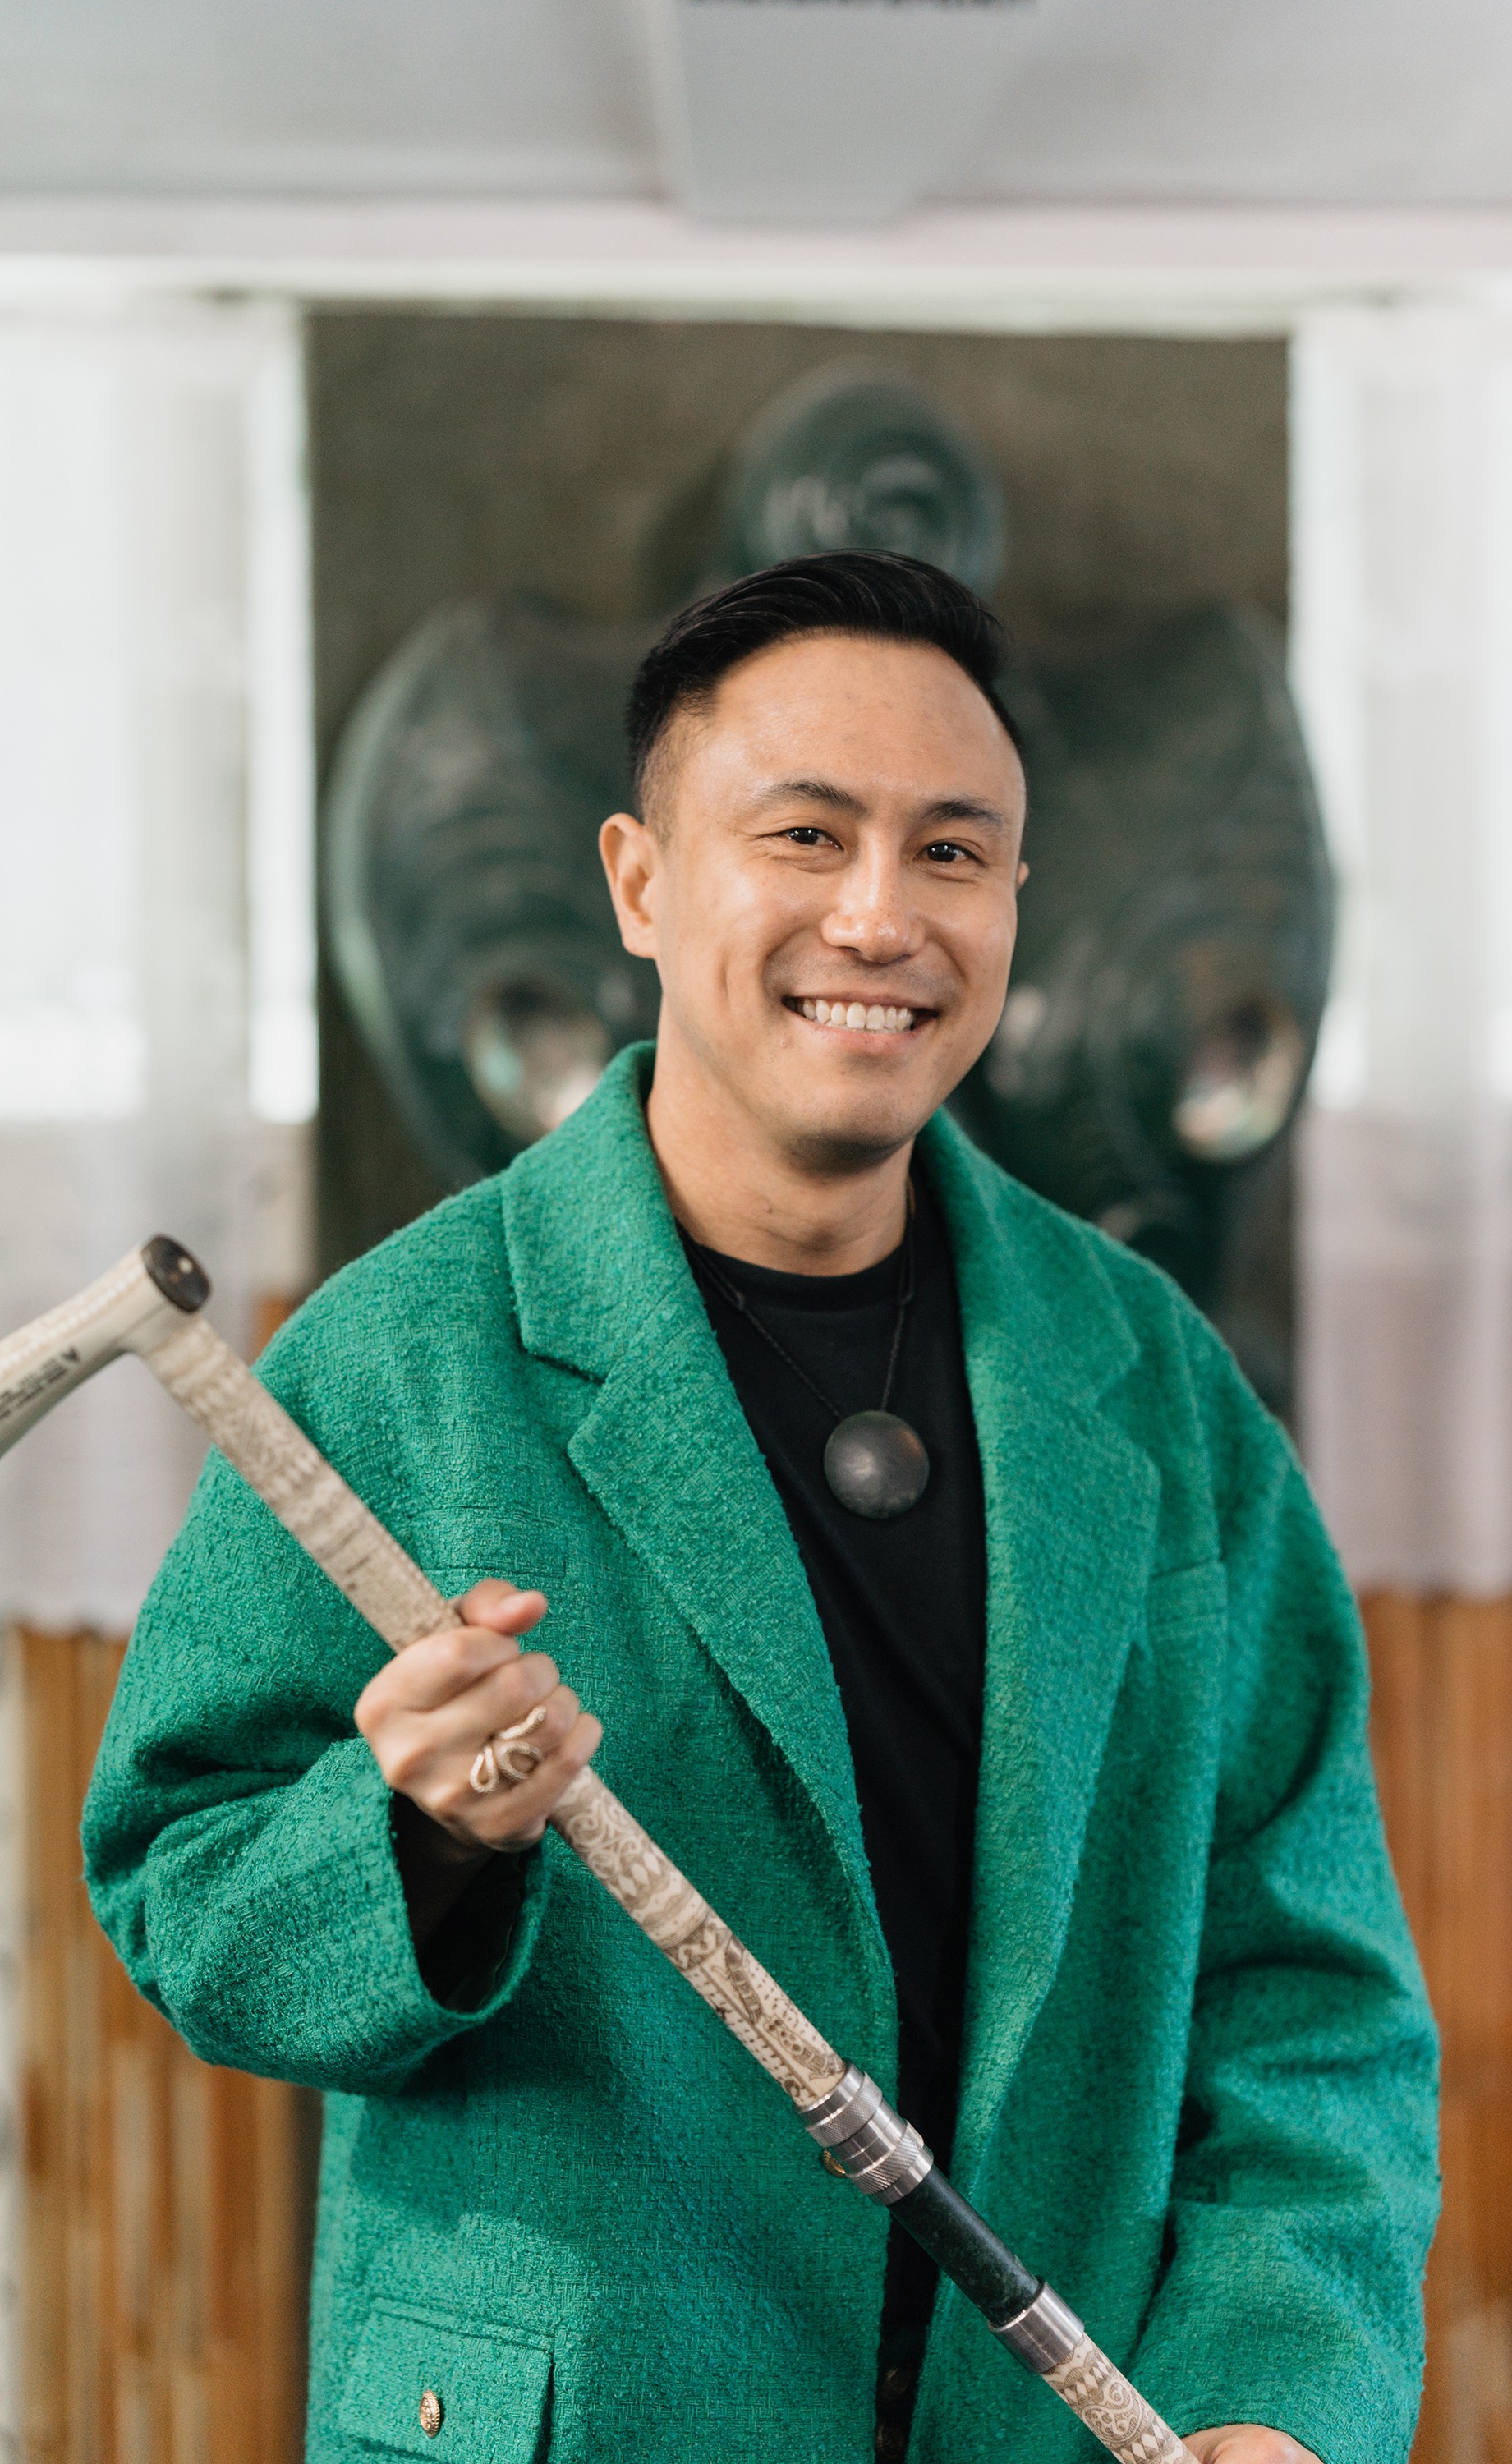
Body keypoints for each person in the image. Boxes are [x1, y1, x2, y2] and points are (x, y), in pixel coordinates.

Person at [84, 552, 1438, 2464]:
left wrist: (1278, 2401)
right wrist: (412, 1839)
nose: (877, 916)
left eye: (952, 854)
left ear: (1015, 900)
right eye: (803, 835)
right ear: (642, 880)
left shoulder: (1154, 1389)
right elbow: (184, 1895)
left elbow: (1312, 2007)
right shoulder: (404, 1355)